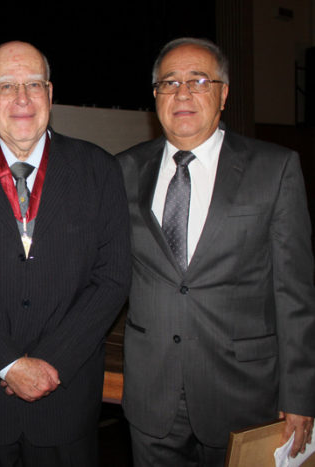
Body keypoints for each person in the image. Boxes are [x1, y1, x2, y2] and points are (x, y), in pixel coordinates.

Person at [0, 41, 131, 466]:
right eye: (6, 86)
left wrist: (51, 362)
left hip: (67, 398)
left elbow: (112, 277)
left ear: (51, 95)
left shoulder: (99, 170)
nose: (22, 98)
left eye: (33, 84)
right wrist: (7, 364)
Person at [118, 37, 315, 466]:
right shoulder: (123, 171)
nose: (182, 92)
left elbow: (295, 293)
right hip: (152, 396)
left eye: (199, 80)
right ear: (155, 96)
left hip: (244, 395)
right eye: (169, 82)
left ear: (223, 93)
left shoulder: (275, 168)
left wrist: (300, 394)